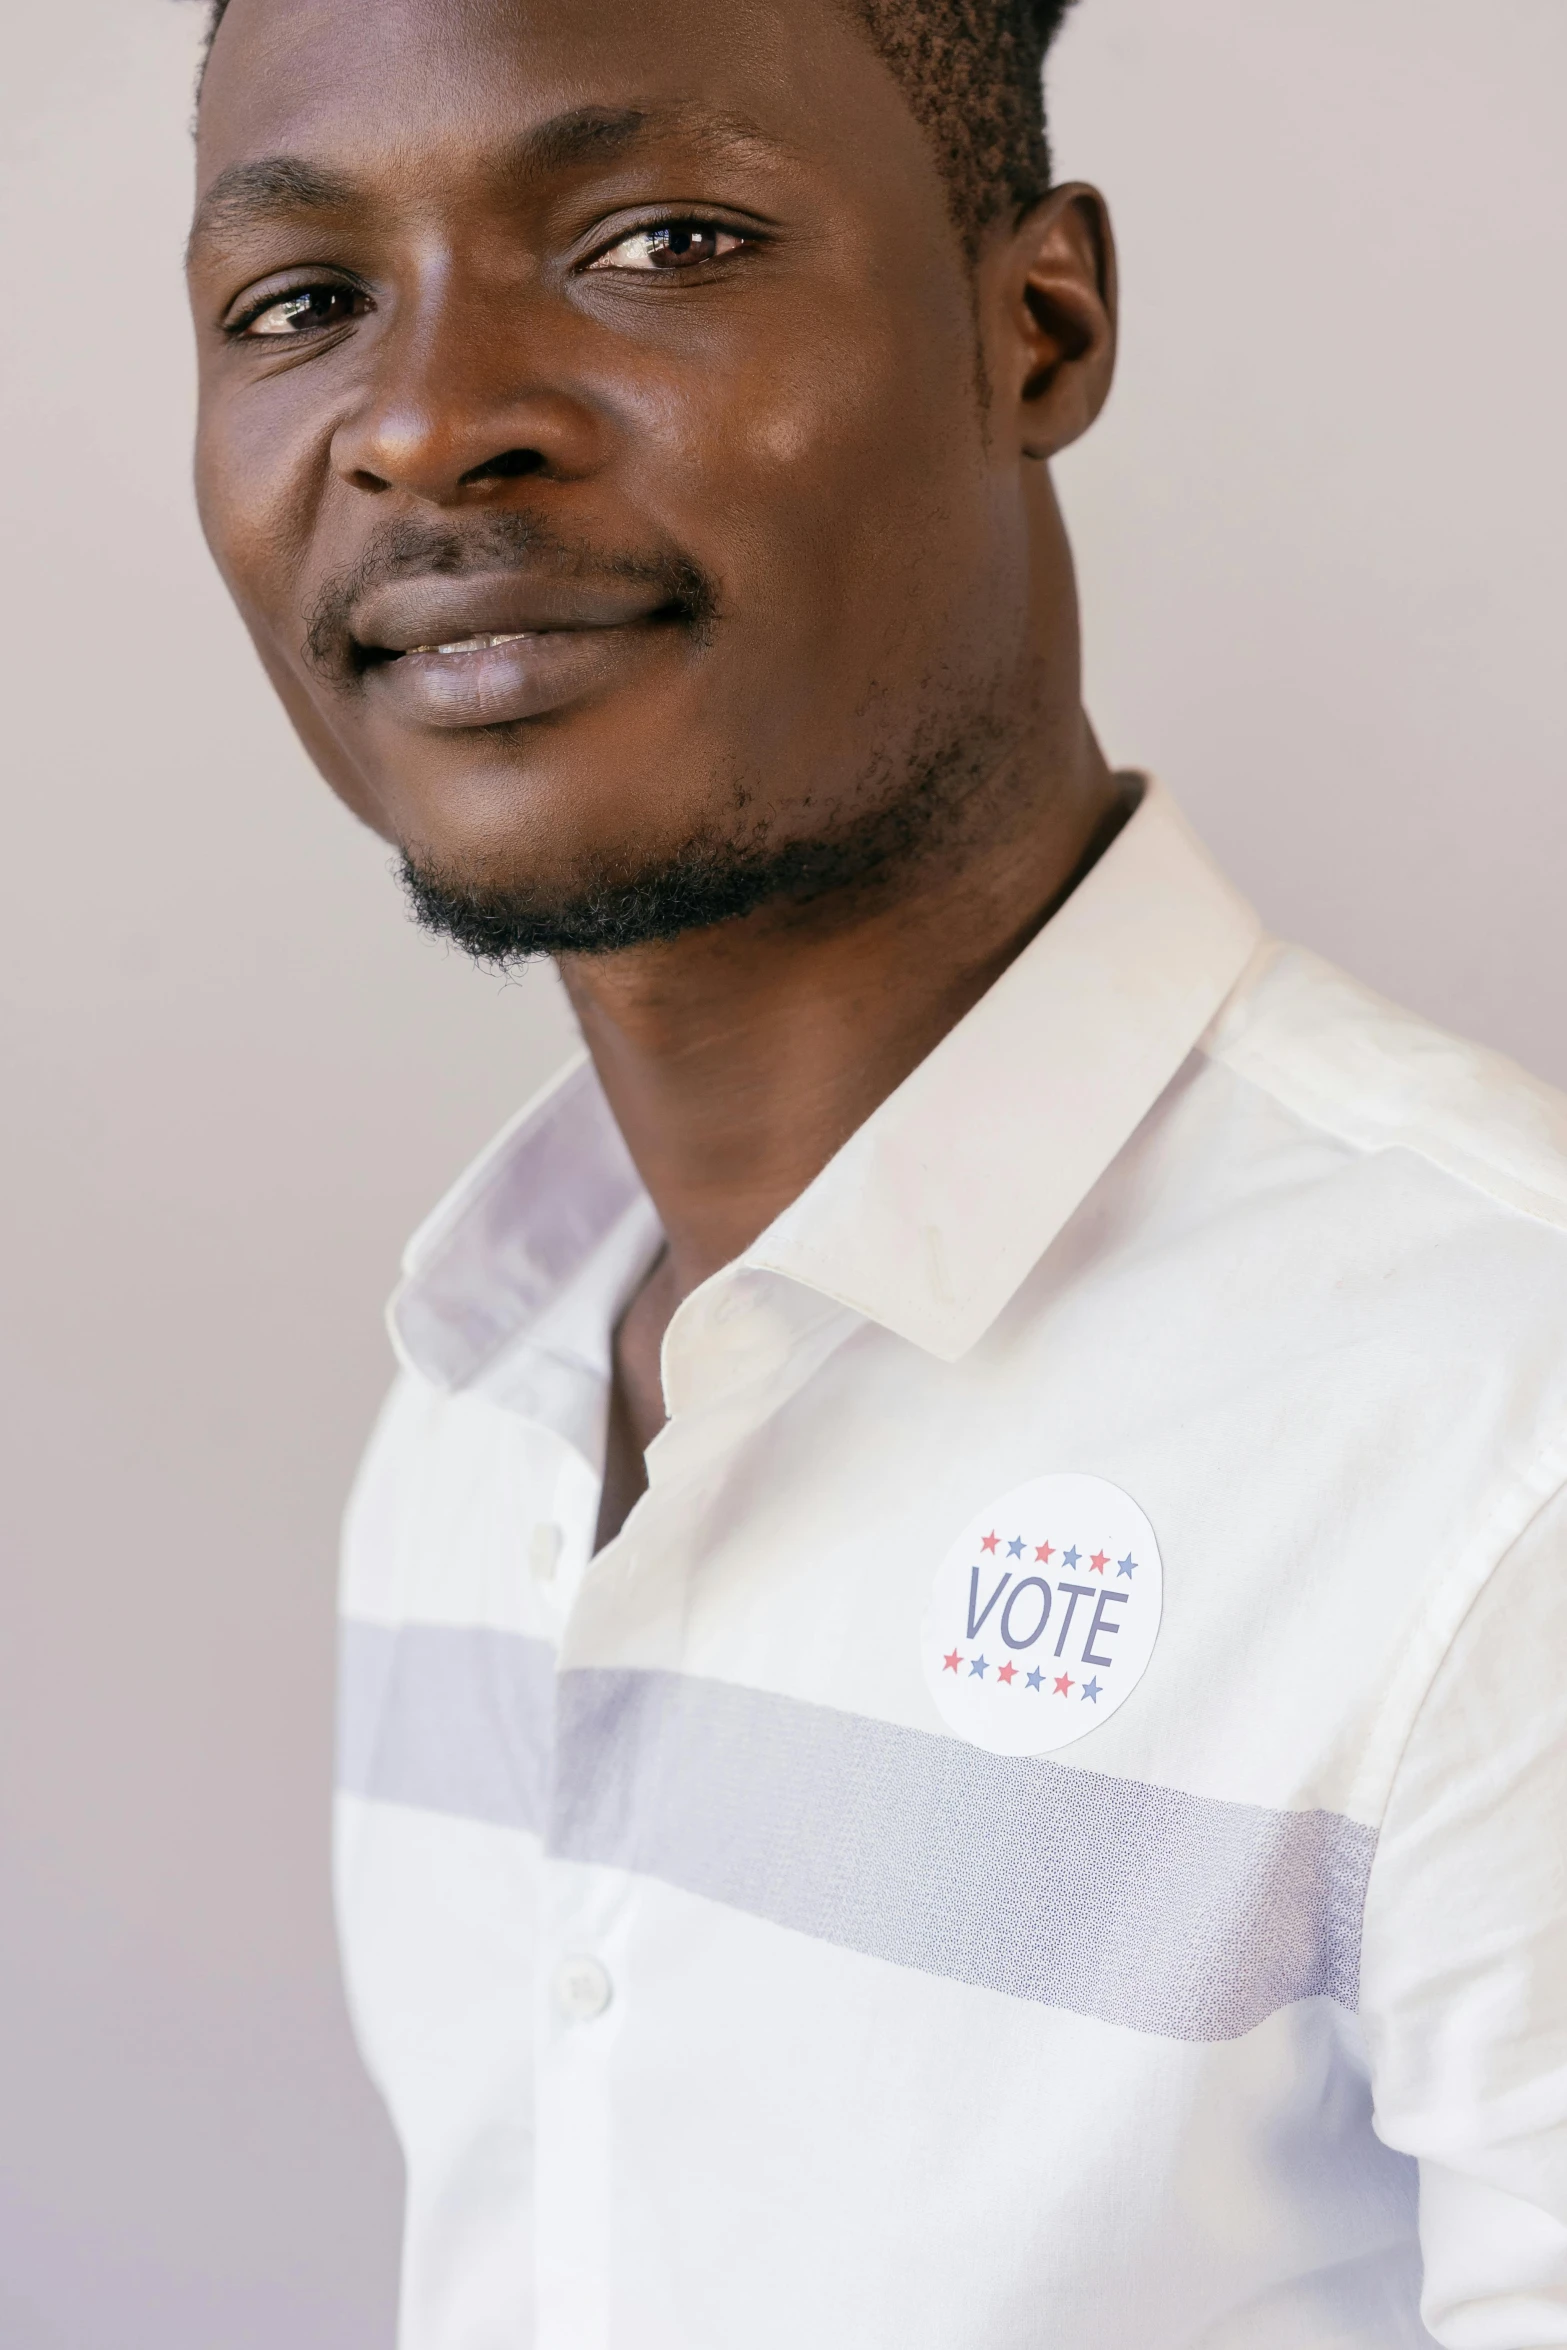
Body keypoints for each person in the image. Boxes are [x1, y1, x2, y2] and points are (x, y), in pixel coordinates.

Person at [185, 0, 1567, 2341]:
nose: (421, 419)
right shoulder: (480, 1400)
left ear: (1030, 330)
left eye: (660, 238)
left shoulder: (1497, 1430)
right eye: (301, 305)